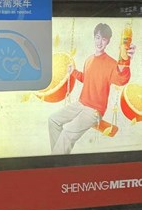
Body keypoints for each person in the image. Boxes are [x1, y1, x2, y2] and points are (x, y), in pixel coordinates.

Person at [48, 23, 135, 155]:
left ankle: (55, 162)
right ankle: (57, 159)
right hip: (81, 104)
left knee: (67, 133)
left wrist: (126, 63)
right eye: (98, 37)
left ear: (108, 41)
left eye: (103, 39)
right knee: (53, 120)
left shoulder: (112, 64)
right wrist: (73, 72)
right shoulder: (89, 59)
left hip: (94, 111)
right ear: (94, 38)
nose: (99, 42)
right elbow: (86, 78)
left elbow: (121, 79)